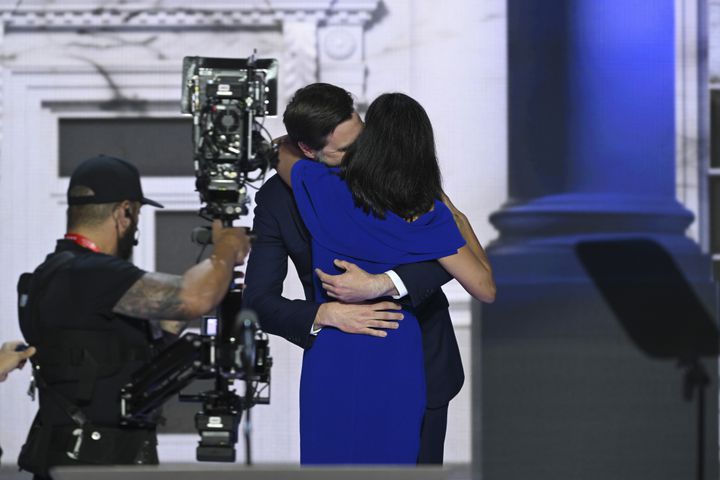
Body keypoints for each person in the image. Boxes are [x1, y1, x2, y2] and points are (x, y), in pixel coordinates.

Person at [243, 84, 494, 464]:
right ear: (308, 150)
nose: (361, 155)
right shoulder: (282, 197)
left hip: (422, 358)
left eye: (362, 138)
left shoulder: (393, 182)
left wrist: (386, 283)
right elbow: (258, 300)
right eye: (345, 150)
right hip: (341, 352)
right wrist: (324, 314)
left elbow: (277, 146)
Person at [17, 155, 250, 479]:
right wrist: (226, 250)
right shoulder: (90, 273)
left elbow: (126, 347)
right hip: (93, 465)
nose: (136, 229)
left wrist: (215, 284)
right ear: (124, 212)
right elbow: (193, 297)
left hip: (78, 460)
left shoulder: (55, 273)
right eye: (138, 216)